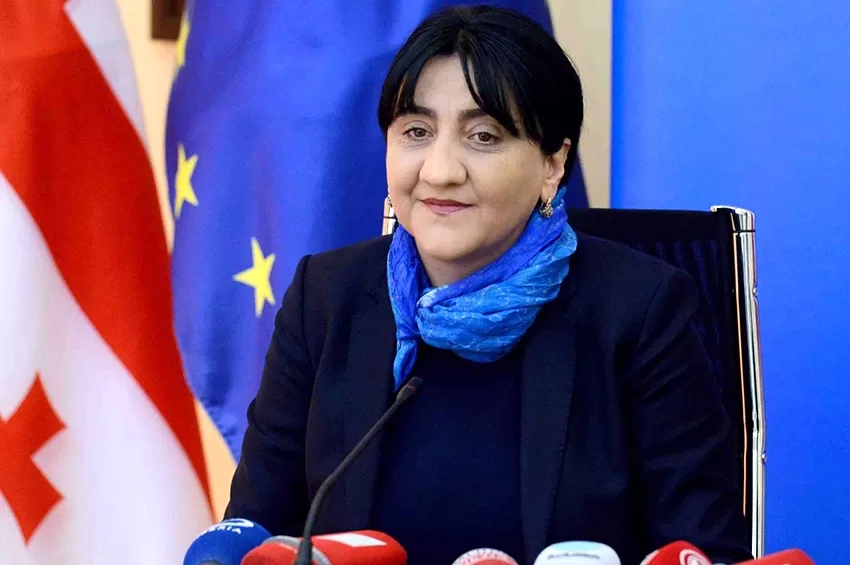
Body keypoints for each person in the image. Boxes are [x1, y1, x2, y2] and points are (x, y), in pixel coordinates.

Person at [225, 6, 752, 565]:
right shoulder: (326, 299)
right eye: (416, 132)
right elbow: (255, 535)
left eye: (483, 136)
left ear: (553, 164)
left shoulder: (639, 311)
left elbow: (705, 550)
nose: (440, 171)